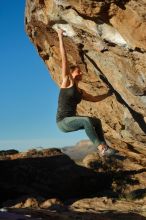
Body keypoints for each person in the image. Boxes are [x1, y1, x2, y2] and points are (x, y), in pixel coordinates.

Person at [56, 29, 116, 157]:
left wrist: (110, 93)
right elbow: (64, 59)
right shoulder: (67, 81)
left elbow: (94, 99)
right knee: (86, 121)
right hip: (63, 122)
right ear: (71, 73)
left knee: (96, 121)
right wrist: (60, 36)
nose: (81, 73)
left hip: (71, 121)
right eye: (78, 71)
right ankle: (101, 148)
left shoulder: (80, 91)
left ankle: (104, 148)